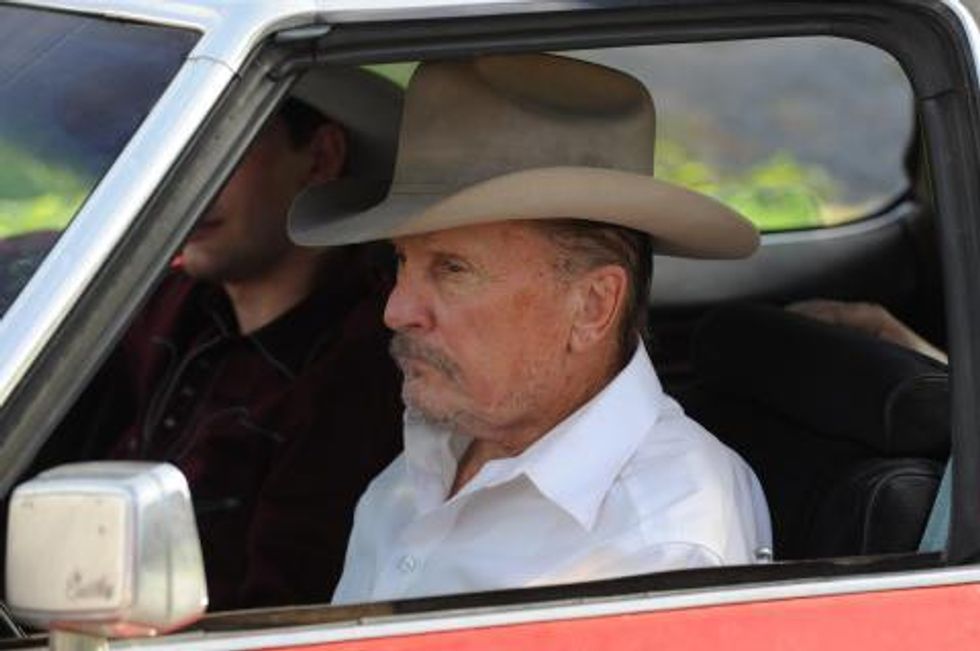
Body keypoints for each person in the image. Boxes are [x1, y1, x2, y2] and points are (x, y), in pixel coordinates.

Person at [290, 54, 772, 603]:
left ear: (592, 306)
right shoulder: (436, 452)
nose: (397, 310)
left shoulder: (661, 541)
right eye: (402, 260)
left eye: (452, 269)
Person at [45, 66, 405, 610]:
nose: (184, 179)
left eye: (222, 144)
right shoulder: (172, 304)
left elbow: (280, 612)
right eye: (173, 148)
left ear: (320, 158)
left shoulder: (357, 375)